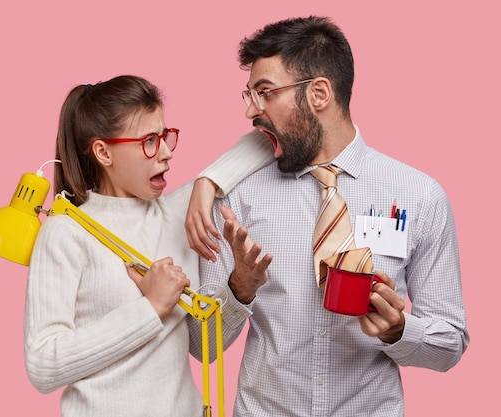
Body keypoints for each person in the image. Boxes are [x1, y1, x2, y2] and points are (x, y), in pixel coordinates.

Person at [185, 16, 469, 417]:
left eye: (265, 92)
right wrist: (240, 288)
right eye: (248, 95)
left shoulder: (420, 196)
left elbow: (450, 344)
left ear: (318, 93)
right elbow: (203, 345)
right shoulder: (235, 196)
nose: (252, 111)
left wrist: (399, 331)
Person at [24, 75, 273, 417]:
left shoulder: (179, 215)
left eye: (166, 136)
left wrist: (206, 184)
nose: (167, 153)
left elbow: (262, 142)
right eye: (150, 141)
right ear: (103, 152)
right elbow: (42, 365)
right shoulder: (65, 234)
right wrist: (150, 308)